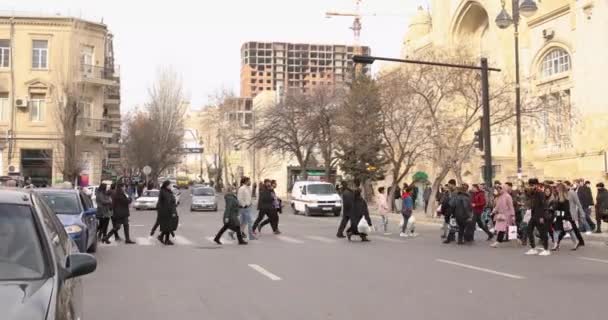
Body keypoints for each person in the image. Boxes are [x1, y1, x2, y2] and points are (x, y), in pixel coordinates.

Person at [553, 183, 584, 251]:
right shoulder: (558, 196)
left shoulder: (569, 195)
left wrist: (582, 213)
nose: (556, 189)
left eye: (557, 188)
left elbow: (577, 204)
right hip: (560, 216)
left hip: (567, 216)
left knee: (570, 230)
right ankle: (556, 244)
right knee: (557, 230)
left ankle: (577, 242)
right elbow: (556, 207)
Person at [525, 179, 550, 256]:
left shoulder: (540, 193)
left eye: (532, 185)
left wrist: (542, 217)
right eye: (530, 185)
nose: (530, 187)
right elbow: (528, 198)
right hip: (533, 215)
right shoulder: (533, 193)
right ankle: (533, 248)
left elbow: (544, 206)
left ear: (536, 185)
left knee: (542, 232)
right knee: (529, 230)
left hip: (540, 216)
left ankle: (546, 249)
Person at [156, 180, 179, 245]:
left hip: (169, 211)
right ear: (166, 185)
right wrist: (172, 212)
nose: (170, 186)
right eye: (169, 185)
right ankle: (165, 239)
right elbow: (167, 203)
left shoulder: (169, 191)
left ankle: (163, 238)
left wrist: (175, 202)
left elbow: (171, 201)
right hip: (166, 212)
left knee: (168, 226)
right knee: (168, 226)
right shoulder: (163, 192)